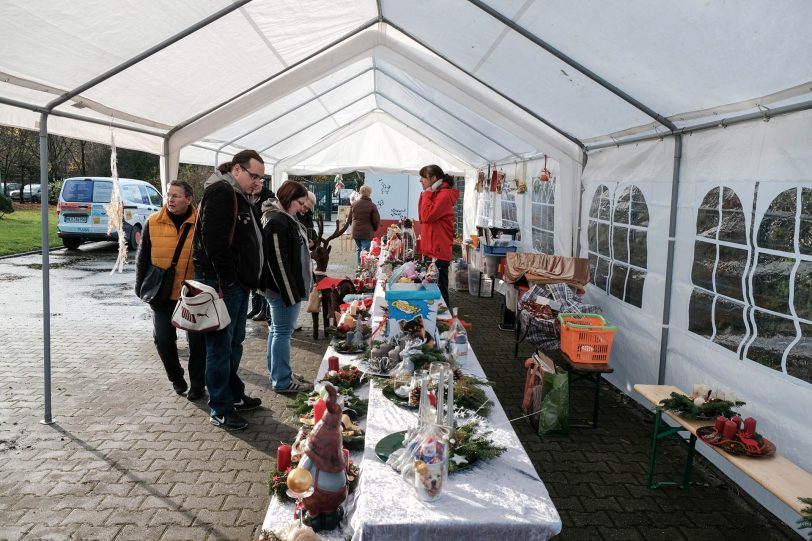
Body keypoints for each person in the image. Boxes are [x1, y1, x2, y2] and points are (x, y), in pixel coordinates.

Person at [193, 149, 265, 431]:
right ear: (237, 170)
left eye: (260, 177)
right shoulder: (222, 192)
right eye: (253, 175)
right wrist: (230, 278)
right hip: (224, 285)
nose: (257, 182)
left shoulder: (238, 194)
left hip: (235, 284)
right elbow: (214, 243)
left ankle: (233, 395)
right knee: (221, 348)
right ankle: (220, 407)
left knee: (233, 344)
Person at [135, 180, 206, 401]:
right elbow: (143, 257)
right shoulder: (153, 221)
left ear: (189, 199)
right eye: (168, 195)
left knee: (197, 344)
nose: (171, 200)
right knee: (163, 340)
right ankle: (176, 377)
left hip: (191, 295)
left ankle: (197, 385)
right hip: (161, 293)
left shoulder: (201, 223)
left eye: (176, 195)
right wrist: (140, 288)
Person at [260, 180, 314, 393]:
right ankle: (282, 380)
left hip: (285, 287)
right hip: (281, 289)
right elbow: (278, 262)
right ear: (288, 199)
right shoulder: (275, 221)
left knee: (278, 331)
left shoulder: (283, 218)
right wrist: (290, 293)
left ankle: (280, 371)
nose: (302, 208)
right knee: (282, 332)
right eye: (300, 203)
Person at [418, 164, 459, 307]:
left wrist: (427, 194)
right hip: (432, 250)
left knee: (439, 292)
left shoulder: (444, 195)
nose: (420, 180)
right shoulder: (436, 193)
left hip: (438, 251)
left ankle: (445, 325)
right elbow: (423, 218)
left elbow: (427, 216)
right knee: (433, 290)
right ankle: (435, 322)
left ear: (434, 178)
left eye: (423, 177)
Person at [247, 183, 276, 322]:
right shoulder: (249, 195)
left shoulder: (269, 197)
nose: (256, 185)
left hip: (262, 240)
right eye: (254, 182)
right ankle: (255, 307)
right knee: (254, 279)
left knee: (262, 280)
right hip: (252, 241)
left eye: (259, 182)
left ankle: (264, 311)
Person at [349, 184, 380, 265]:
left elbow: (349, 219)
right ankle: (363, 269)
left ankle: (359, 266)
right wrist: (375, 228)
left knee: (359, 249)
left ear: (360, 192)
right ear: (369, 193)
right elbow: (376, 220)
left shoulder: (354, 204)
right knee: (365, 251)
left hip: (355, 231)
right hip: (367, 232)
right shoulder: (372, 206)